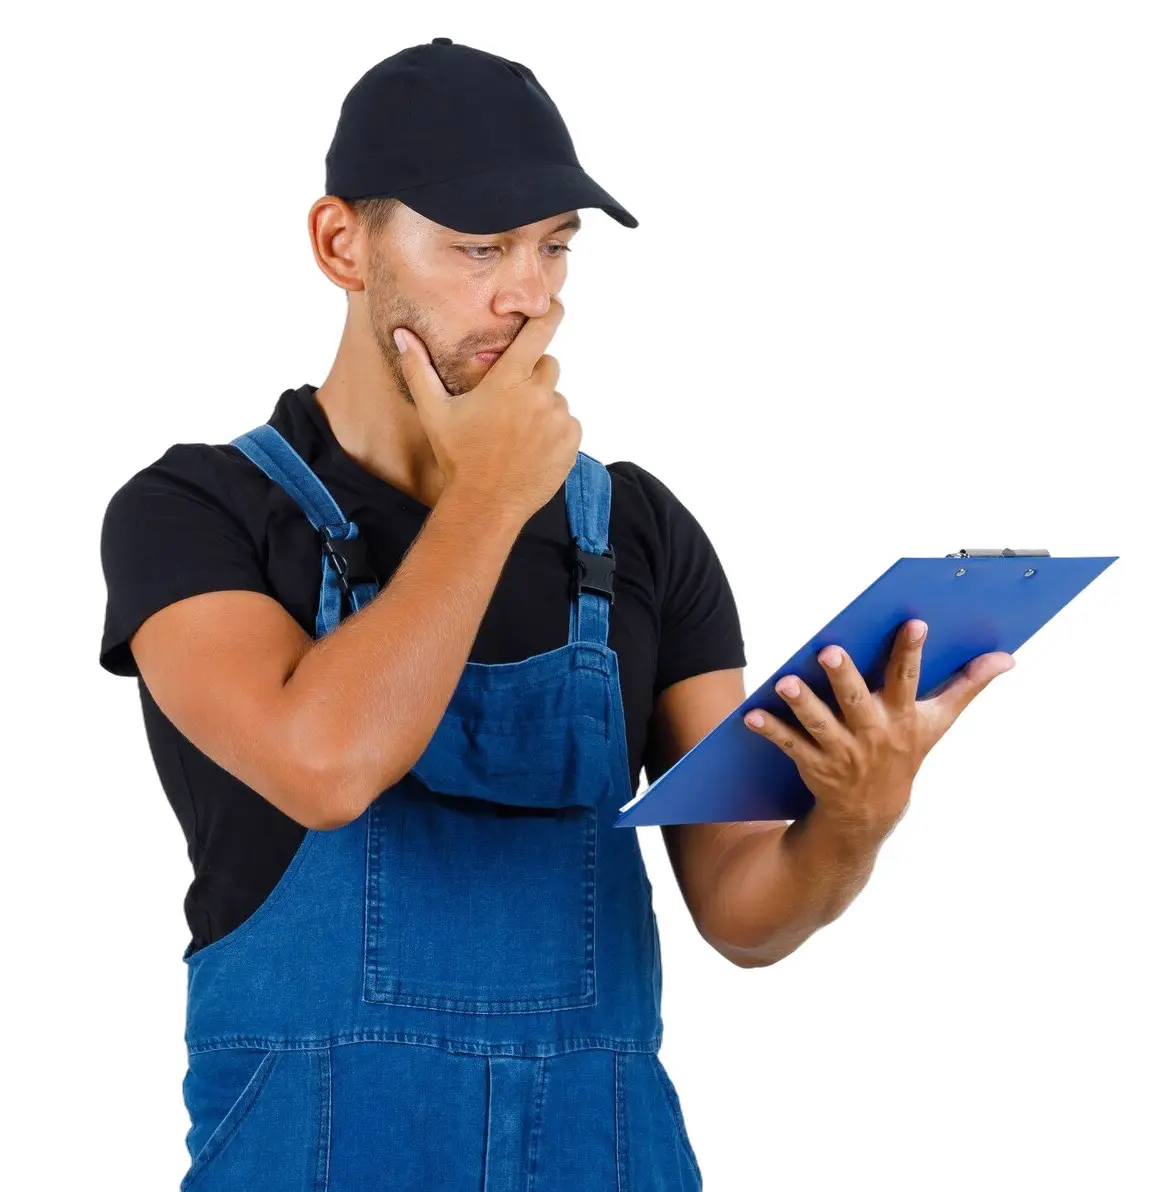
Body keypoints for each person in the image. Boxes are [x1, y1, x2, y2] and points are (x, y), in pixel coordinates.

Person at [98, 37, 1014, 1192]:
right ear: (343, 243)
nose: (529, 294)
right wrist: (488, 490)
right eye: (478, 246)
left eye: (554, 248)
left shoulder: (641, 535)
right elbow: (325, 762)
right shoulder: (195, 513)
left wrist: (851, 822)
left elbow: (741, 901)